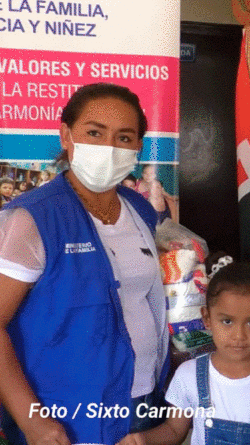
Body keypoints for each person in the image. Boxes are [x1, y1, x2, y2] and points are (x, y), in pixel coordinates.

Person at [0, 83, 169, 444]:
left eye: (124, 138)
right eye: (94, 133)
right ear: (66, 136)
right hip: (63, 414)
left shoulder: (140, 210)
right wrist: (33, 421)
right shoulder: (33, 219)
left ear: (138, 148)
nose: (108, 148)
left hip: (141, 400)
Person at [117, 263, 250, 445]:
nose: (239, 336)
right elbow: (173, 430)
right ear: (207, 318)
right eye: (227, 321)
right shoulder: (188, 375)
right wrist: (142, 439)